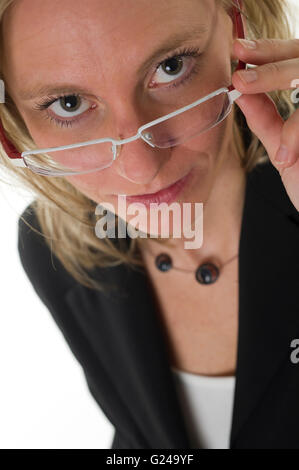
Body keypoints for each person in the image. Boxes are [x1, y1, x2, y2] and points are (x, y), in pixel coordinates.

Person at [0, 0, 299, 449]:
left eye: (172, 66)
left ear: (238, 29)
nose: (141, 168)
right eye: (69, 103)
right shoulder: (52, 244)